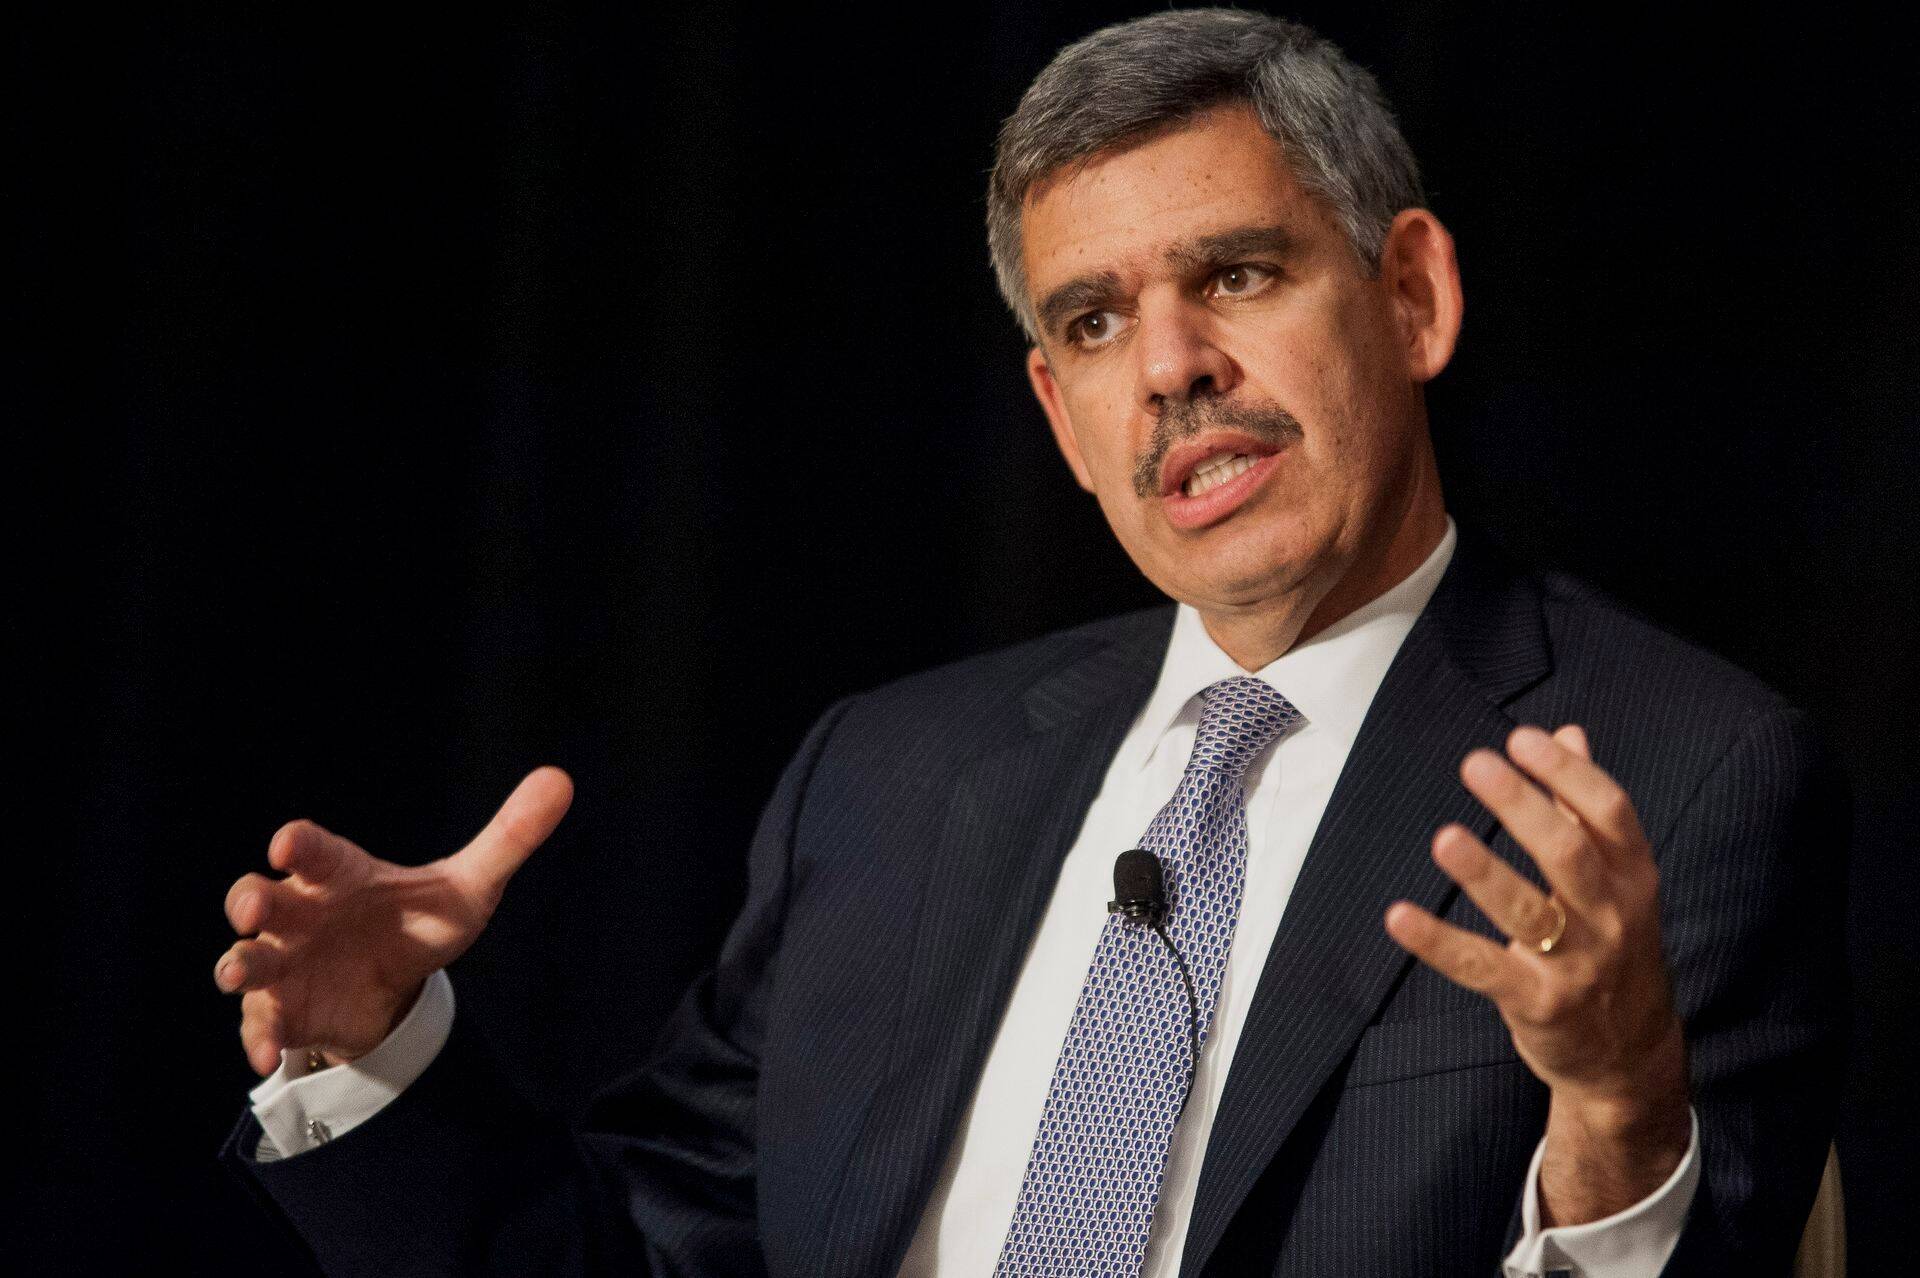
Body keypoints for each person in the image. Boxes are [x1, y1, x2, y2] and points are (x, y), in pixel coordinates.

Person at [213, 10, 1847, 1276]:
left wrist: (1619, 1115)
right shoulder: (889, 775)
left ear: (1412, 295)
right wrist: (377, 1052)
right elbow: (643, 1254)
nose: (1172, 367)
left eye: (1238, 274)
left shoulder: (1680, 770)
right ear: (1061, 417)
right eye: (1095, 321)